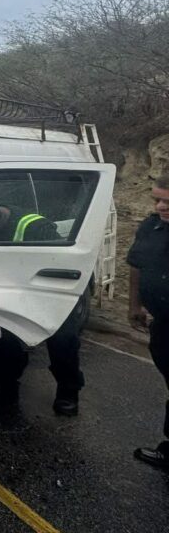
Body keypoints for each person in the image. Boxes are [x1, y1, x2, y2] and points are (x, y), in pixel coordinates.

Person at [0, 201, 85, 416]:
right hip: (14, 294)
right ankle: (7, 385)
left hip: (49, 293)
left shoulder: (37, 227)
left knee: (62, 343)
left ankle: (68, 394)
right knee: (5, 340)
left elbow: (60, 261)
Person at [127, 175, 169, 470]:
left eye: (167, 201)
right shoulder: (151, 226)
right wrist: (134, 304)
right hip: (163, 322)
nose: (159, 206)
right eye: (157, 200)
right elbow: (136, 265)